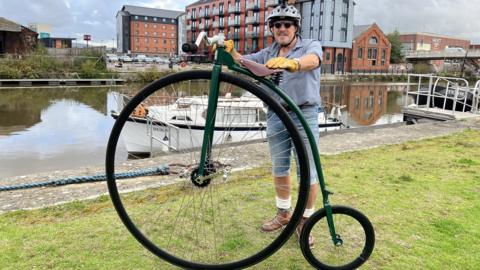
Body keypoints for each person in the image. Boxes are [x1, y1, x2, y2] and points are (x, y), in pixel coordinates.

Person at [221, 3, 322, 246]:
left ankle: (305, 221)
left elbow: (314, 60)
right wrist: (230, 51)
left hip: (303, 113)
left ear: (295, 27)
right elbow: (244, 63)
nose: (282, 28)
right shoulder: (268, 52)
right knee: (279, 166)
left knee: (308, 169)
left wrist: (293, 63)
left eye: (287, 24)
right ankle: (284, 214)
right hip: (276, 114)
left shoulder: (308, 45)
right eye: (277, 25)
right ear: (272, 29)